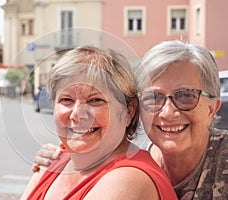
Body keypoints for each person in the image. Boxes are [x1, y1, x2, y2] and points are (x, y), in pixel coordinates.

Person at [33, 41, 228, 199]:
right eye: (154, 98)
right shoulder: (138, 152)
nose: (168, 112)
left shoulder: (131, 176)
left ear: (212, 108)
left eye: (186, 96)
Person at [21, 46, 177, 200]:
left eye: (95, 100)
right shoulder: (52, 163)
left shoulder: (127, 180)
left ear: (128, 112)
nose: (77, 114)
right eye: (66, 100)